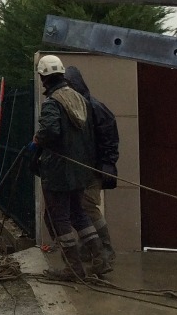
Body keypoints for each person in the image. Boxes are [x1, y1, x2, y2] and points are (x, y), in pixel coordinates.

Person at [28, 55, 109, 280]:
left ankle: (72, 267)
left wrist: (37, 141)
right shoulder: (78, 98)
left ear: (44, 77)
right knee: (78, 213)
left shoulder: (53, 102)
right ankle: (100, 257)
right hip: (80, 168)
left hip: (58, 171)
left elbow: (51, 131)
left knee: (59, 217)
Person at [63, 63, 120, 272]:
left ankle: (105, 249)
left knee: (87, 206)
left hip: (93, 168)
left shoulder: (95, 108)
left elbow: (110, 140)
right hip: (81, 168)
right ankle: (89, 248)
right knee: (79, 207)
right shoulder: (78, 107)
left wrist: (106, 165)